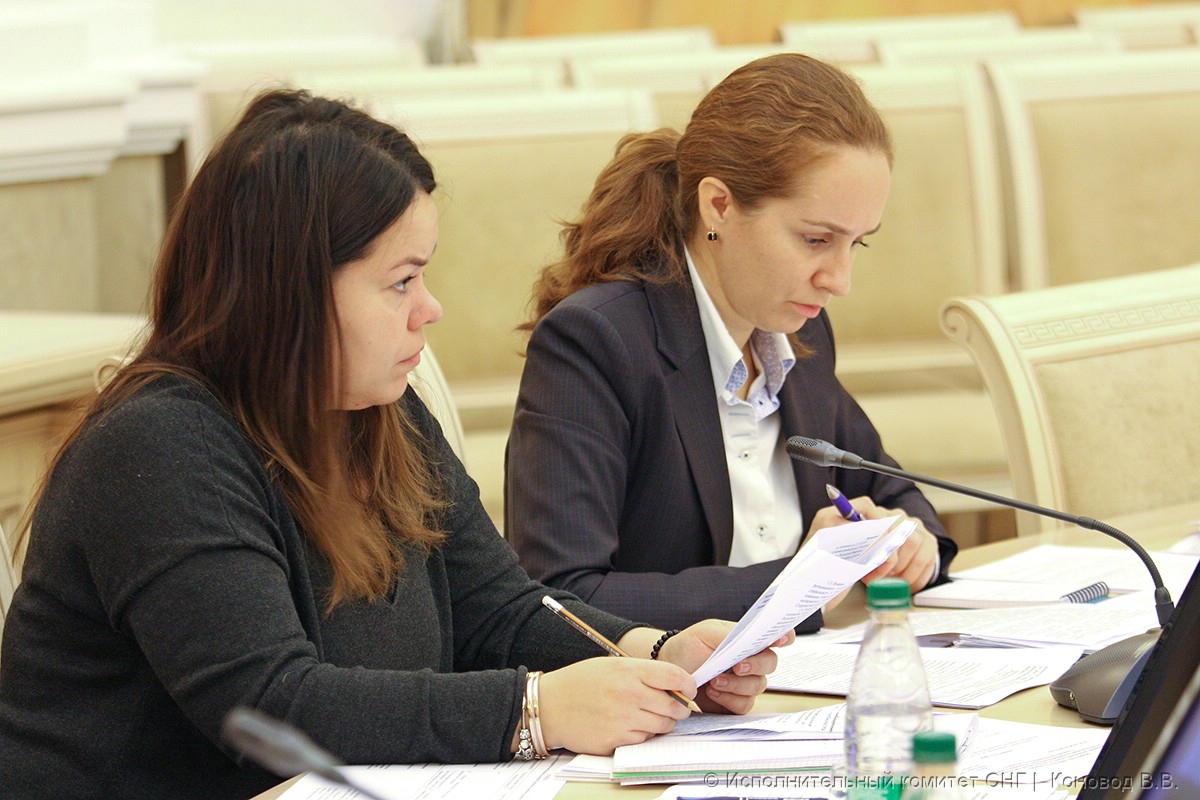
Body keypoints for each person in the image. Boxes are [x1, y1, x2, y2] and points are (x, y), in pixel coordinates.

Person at [0, 90, 789, 800]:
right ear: (292, 292)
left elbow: (498, 608)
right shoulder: (160, 446)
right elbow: (271, 704)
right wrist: (534, 711)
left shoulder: (377, 411)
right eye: (401, 281)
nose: (430, 309)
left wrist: (652, 651)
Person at [506, 53, 957, 633]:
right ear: (718, 205)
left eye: (857, 243)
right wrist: (797, 584)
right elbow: (561, 599)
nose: (839, 280)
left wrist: (912, 541)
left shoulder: (799, 329)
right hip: (672, 686)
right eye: (815, 239)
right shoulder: (595, 342)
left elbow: (885, 487)